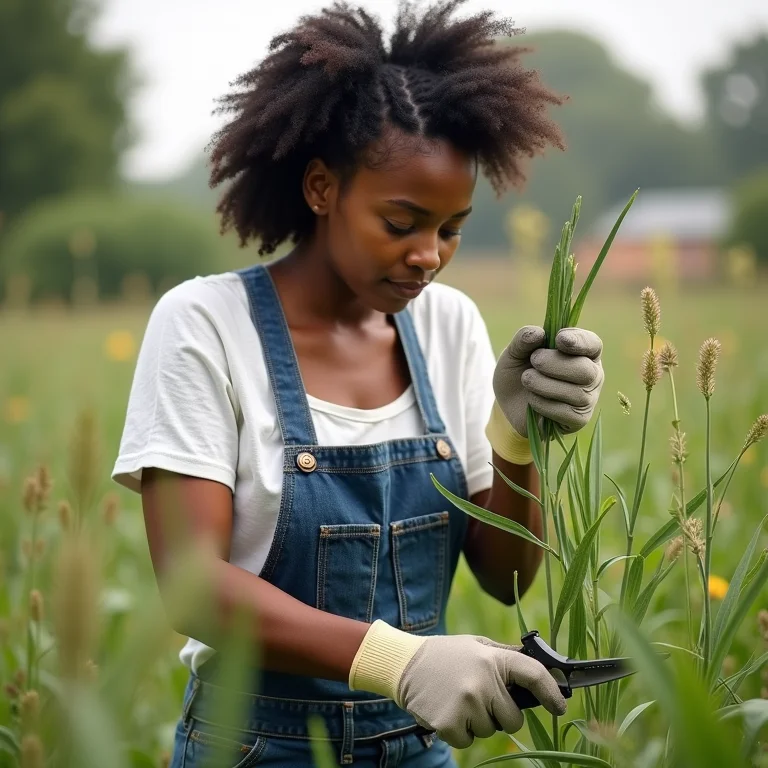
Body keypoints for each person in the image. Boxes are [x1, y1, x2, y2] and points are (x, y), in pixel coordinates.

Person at [111, 1, 605, 766]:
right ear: (320, 188)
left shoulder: (449, 326)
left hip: (416, 748)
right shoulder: (205, 324)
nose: (430, 256)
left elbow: (506, 579)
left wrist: (514, 438)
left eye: (450, 228)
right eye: (401, 222)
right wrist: (402, 662)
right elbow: (192, 587)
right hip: (251, 746)